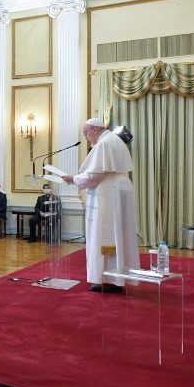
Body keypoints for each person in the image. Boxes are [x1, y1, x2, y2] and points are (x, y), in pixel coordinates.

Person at [61, 118, 138, 293]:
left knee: (105, 234)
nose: (86, 137)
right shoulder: (115, 140)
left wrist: (73, 179)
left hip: (109, 195)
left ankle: (110, 279)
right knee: (120, 235)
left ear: (94, 130)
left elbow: (94, 175)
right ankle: (115, 278)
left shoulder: (104, 143)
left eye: (86, 133)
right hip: (117, 191)